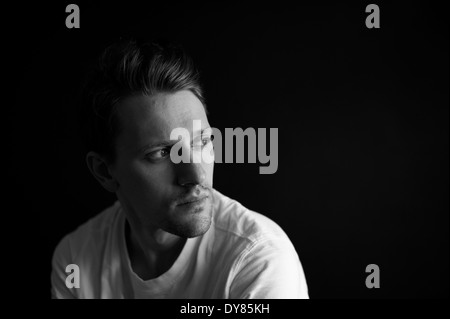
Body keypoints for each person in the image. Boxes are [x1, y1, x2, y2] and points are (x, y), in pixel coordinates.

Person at [51, 39, 309, 299]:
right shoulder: (76, 259)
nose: (197, 176)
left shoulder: (258, 258)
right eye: (161, 153)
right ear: (104, 172)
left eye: (203, 141)